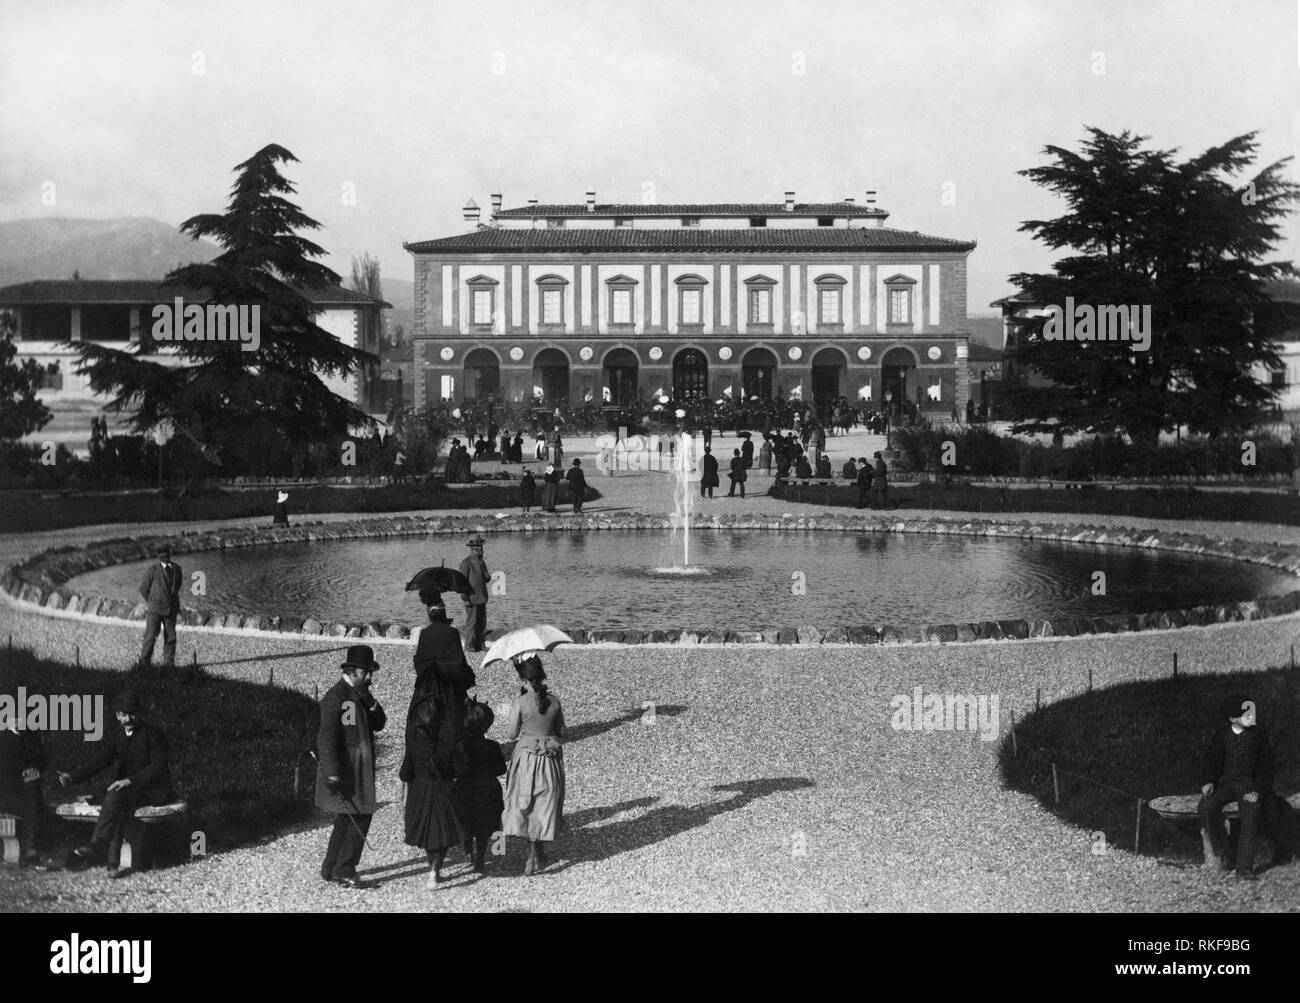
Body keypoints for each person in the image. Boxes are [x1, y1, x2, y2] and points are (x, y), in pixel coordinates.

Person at [58, 691, 174, 878]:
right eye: (124, 714)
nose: (128, 718)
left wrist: (129, 781)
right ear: (117, 715)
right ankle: (113, 865)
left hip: (151, 790)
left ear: (139, 713)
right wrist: (73, 777)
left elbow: (158, 768)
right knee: (115, 802)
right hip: (127, 791)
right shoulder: (118, 735)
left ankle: (99, 843)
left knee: (114, 797)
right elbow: (101, 760)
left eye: (133, 713)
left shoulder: (153, 734)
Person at [315, 645, 387, 889]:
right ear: (352, 671)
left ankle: (330, 867)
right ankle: (344, 869)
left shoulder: (357, 694)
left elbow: (380, 724)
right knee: (361, 814)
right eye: (366, 673)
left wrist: (369, 700)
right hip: (348, 770)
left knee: (346, 818)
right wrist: (332, 772)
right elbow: (327, 738)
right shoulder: (337, 698)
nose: (370, 678)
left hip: (356, 768)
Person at [1199, 694, 1277, 881]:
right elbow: (1211, 761)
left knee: (1251, 811)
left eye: (1253, 713)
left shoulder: (1258, 737)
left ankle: (1244, 867)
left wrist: (1257, 790)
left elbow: (1267, 767)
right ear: (1232, 718)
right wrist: (1209, 781)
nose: (1252, 717)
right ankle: (1224, 852)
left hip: (1248, 785)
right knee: (1206, 806)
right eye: (1246, 714)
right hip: (1226, 784)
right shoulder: (1222, 736)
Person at [502, 656, 566, 875]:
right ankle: (538, 852)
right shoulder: (555, 701)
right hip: (550, 757)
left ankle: (531, 855)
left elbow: (511, 735)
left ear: (523, 680)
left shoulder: (520, 702)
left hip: (527, 758)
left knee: (526, 802)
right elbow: (563, 733)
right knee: (545, 803)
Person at [401, 689, 470, 886]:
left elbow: (405, 773)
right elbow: (460, 768)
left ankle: (432, 868)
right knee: (445, 832)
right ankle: (435, 870)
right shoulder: (449, 743)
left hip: (420, 792)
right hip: (445, 790)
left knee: (428, 833)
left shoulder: (413, 744)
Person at [453, 701, 507, 875]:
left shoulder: (459, 747)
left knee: (468, 823)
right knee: (485, 828)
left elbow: (455, 769)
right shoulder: (492, 746)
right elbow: (501, 769)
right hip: (488, 789)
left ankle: (468, 851)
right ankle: (482, 857)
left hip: (465, 789)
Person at [0, 720, 47, 867]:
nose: (20, 719)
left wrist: (34, 769)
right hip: (4, 788)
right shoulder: (3, 737)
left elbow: (42, 759)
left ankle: (30, 852)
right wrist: (23, 773)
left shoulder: (31, 735)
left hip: (22, 790)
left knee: (32, 790)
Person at [137, 544, 182, 669]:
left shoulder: (177, 569)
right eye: (162, 554)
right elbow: (143, 589)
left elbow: (177, 587)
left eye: (167, 553)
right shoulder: (152, 571)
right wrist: (153, 602)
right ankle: (143, 664)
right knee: (150, 636)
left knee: (171, 637)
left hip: (171, 609)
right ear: (158, 556)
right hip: (155, 611)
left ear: (170, 553)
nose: (165, 556)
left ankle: (168, 663)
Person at [459, 535, 490, 652]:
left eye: (481, 545)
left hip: (482, 597)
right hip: (471, 598)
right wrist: (465, 598)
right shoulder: (466, 563)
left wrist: (487, 575)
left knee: (482, 623)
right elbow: (461, 583)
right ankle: (468, 645)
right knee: (472, 622)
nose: (482, 548)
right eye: (479, 546)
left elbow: (486, 578)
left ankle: (480, 644)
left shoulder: (482, 561)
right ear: (473, 548)